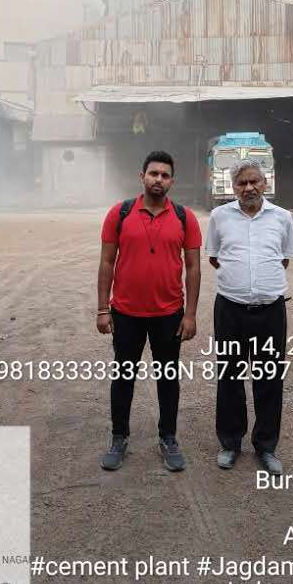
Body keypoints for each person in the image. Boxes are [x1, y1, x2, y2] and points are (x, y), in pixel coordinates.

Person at [97, 150, 202, 472]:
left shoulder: (185, 217)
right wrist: (102, 309)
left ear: (172, 181)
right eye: (153, 173)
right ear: (141, 176)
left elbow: (194, 267)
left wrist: (190, 315)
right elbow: (106, 262)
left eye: (165, 175)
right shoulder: (120, 213)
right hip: (126, 313)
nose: (159, 179)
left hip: (169, 314)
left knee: (168, 378)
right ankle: (119, 437)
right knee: (123, 376)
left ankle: (168, 438)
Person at [205, 160, 293, 475]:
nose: (249, 188)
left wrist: (259, 284)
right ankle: (230, 443)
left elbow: (283, 259)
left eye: (254, 181)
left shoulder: (282, 217)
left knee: (269, 378)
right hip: (230, 309)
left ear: (265, 183)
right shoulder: (219, 216)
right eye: (242, 183)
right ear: (233, 187)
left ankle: (266, 446)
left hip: (271, 311)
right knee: (229, 376)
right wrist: (240, 281)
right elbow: (215, 258)